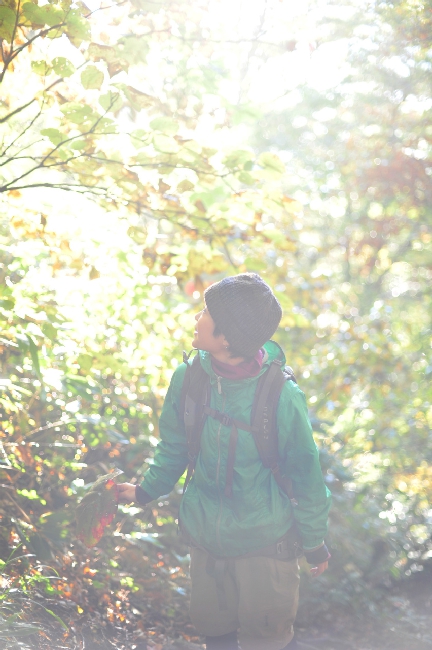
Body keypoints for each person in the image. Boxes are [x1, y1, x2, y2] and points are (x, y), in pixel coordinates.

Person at [118, 273, 331, 650]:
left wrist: (313, 543)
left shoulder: (282, 396)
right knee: (215, 636)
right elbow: (175, 446)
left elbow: (306, 478)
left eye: (206, 312)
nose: (196, 317)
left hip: (266, 544)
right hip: (206, 540)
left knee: (266, 642)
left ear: (228, 338)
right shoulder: (189, 378)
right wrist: (145, 491)